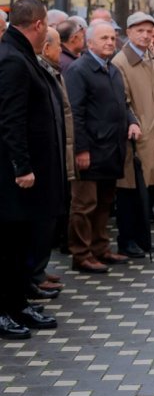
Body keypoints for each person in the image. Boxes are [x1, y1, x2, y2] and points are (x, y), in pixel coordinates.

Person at [0, 0, 63, 339]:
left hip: (28, 174)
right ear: (38, 24)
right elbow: (10, 120)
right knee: (9, 245)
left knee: (22, 242)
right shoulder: (11, 59)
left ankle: (17, 302)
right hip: (15, 177)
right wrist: (21, 166)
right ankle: (4, 309)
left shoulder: (20, 54)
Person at [64, 21, 141, 274]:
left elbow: (123, 103)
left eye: (112, 37)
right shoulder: (79, 70)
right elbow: (75, 113)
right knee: (84, 205)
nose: (110, 42)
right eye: (104, 38)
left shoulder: (112, 70)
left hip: (112, 149)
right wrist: (81, 150)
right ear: (90, 42)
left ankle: (100, 248)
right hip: (91, 151)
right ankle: (81, 254)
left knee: (105, 204)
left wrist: (131, 122)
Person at [112, 12, 154, 258]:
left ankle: (143, 239)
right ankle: (128, 240)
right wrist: (139, 125)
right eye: (140, 31)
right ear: (129, 32)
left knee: (146, 191)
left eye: (149, 31)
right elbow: (123, 102)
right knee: (130, 192)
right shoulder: (121, 62)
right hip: (136, 137)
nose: (146, 35)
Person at [33, 27, 75, 292]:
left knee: (47, 220)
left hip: (58, 150)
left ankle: (39, 270)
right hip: (42, 158)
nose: (61, 50)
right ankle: (34, 275)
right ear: (46, 47)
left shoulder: (51, 70)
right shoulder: (38, 70)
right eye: (58, 45)